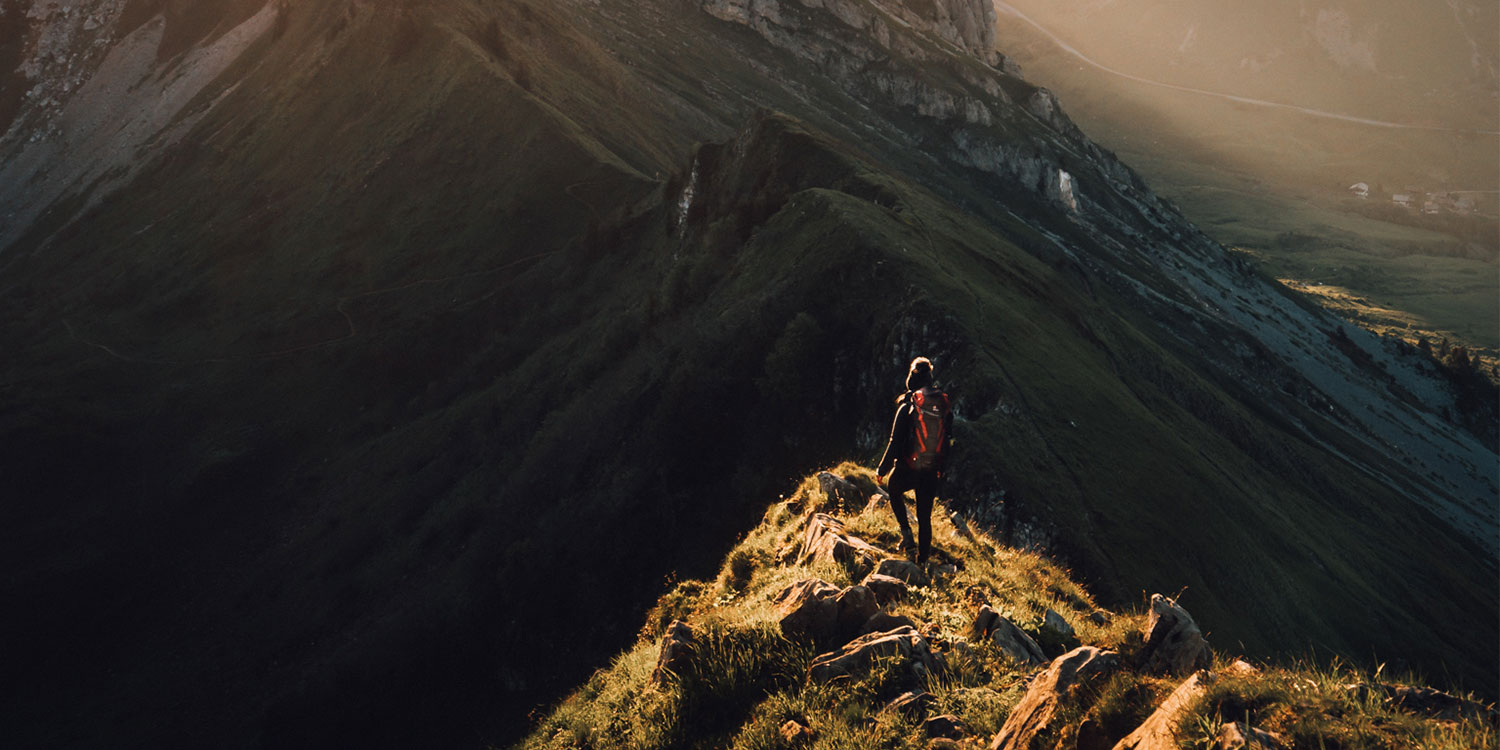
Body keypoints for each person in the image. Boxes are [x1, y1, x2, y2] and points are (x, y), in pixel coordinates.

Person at [876, 356, 953, 564]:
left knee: (893, 488)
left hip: (908, 467)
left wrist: (881, 469)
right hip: (931, 470)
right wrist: (941, 469)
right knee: (925, 518)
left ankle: (907, 537)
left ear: (911, 379)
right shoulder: (943, 407)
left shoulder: (907, 406)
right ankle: (923, 562)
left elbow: (894, 442)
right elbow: (947, 440)